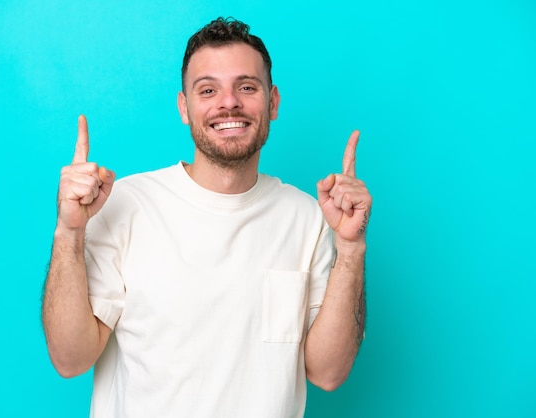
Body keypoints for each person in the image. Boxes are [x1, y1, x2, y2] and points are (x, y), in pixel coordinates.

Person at [42, 17, 371, 418]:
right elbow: (70, 360)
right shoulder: (126, 202)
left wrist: (351, 247)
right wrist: (69, 232)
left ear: (273, 103)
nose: (228, 102)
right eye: (208, 90)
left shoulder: (309, 218)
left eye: (246, 87)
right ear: (184, 106)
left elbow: (328, 373)